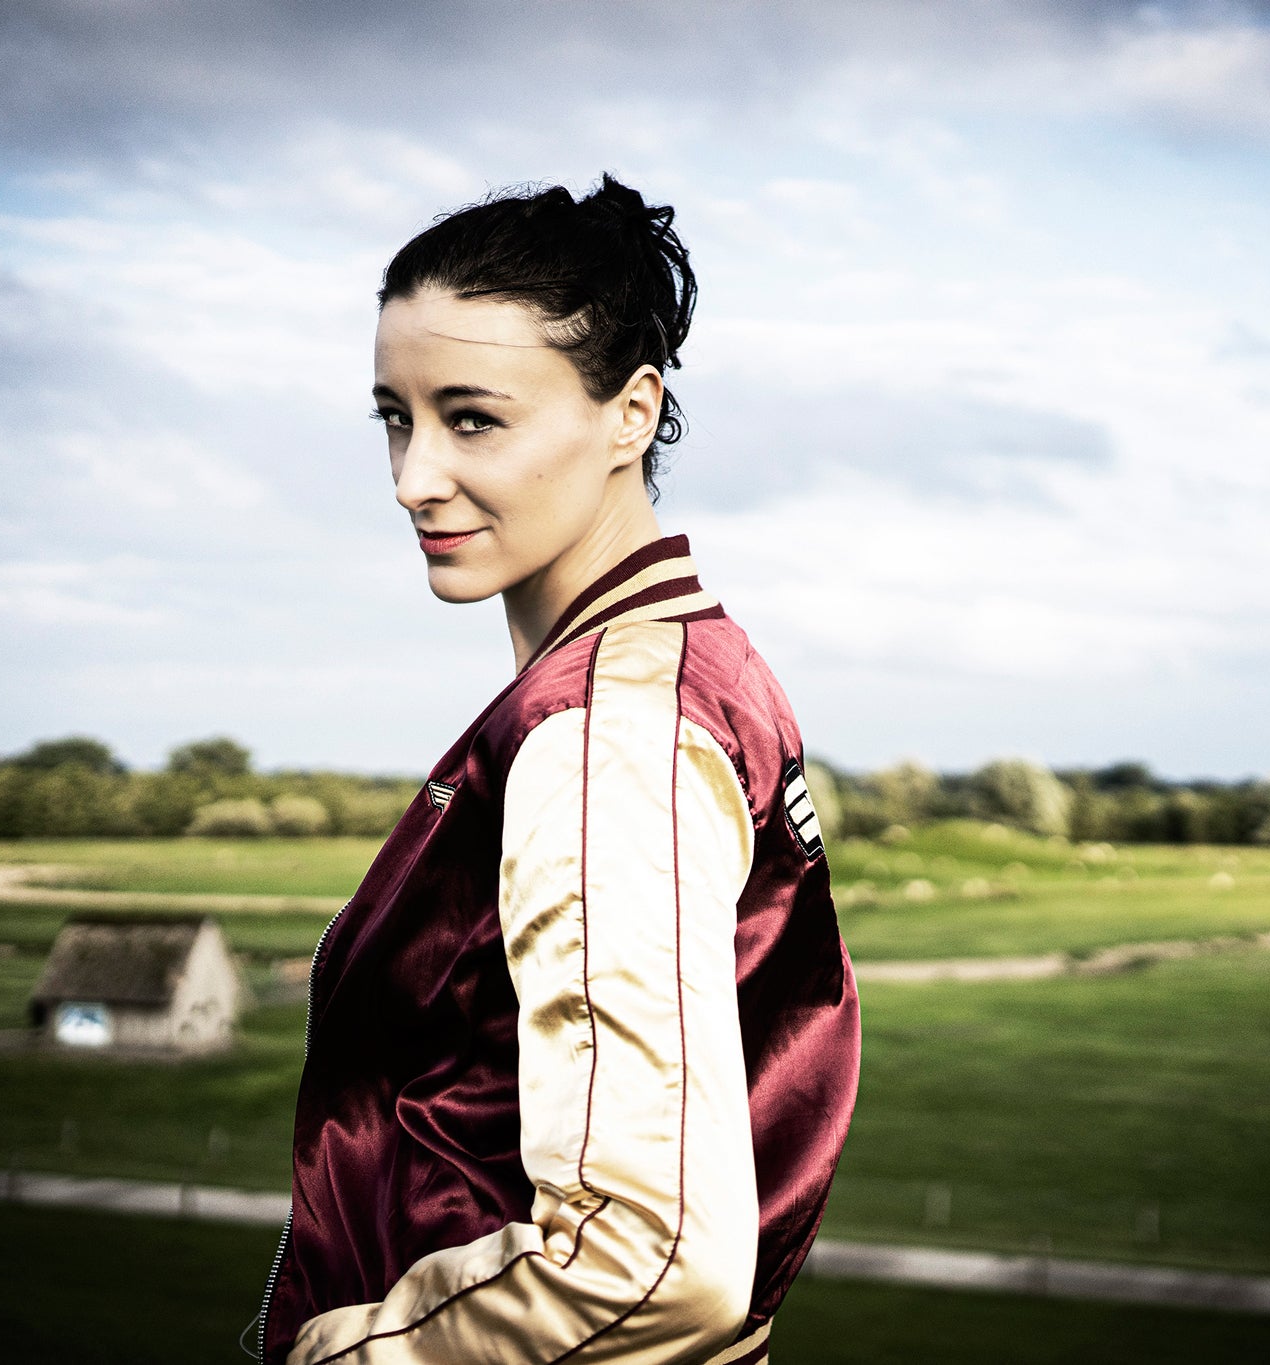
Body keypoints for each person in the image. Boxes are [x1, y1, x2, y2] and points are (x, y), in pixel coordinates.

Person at [249, 175, 861, 1365]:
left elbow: (649, 1264)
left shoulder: (604, 732)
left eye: (473, 420)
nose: (411, 477)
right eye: (394, 417)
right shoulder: (692, 663)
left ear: (631, 413)